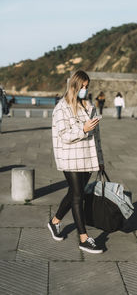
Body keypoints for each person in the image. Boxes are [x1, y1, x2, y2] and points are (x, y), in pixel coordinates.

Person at [48, 70, 104, 254]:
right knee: (78, 196)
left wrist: (101, 161)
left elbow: (97, 137)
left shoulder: (89, 106)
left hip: (88, 157)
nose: (85, 90)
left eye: (87, 87)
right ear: (74, 85)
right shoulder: (61, 108)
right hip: (70, 157)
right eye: (83, 86)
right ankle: (83, 238)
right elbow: (64, 135)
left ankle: (55, 221)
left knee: (74, 193)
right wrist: (83, 128)